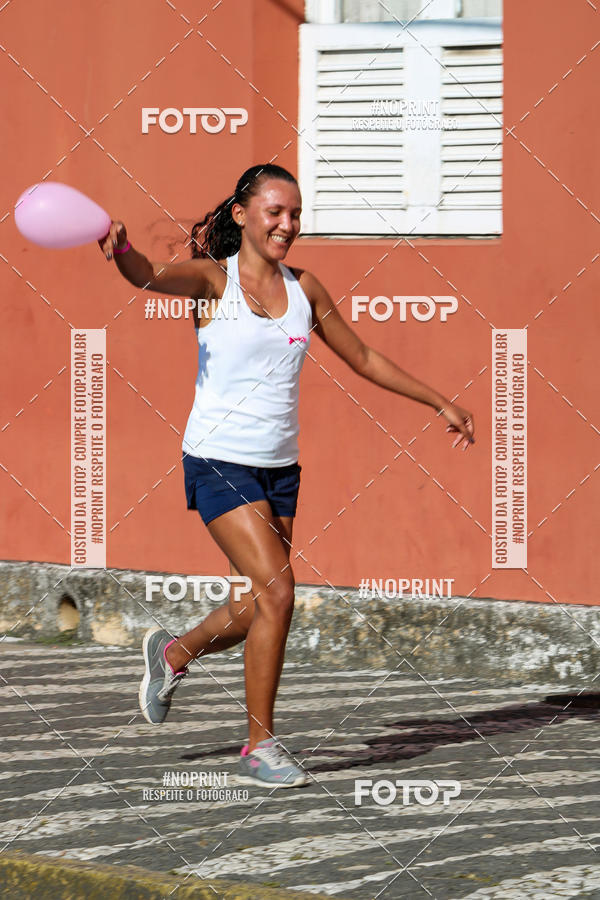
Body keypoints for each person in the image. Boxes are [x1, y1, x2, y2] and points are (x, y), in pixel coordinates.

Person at [99, 163, 475, 789]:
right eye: (275, 211)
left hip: (280, 469)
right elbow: (149, 277)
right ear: (243, 214)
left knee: (256, 606)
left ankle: (174, 652)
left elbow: (363, 356)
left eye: (295, 214)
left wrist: (438, 401)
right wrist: (125, 252)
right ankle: (259, 748)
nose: (287, 225)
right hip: (217, 458)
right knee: (278, 593)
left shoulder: (306, 288)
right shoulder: (210, 280)